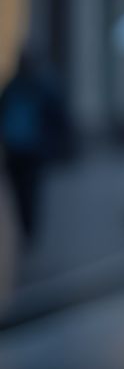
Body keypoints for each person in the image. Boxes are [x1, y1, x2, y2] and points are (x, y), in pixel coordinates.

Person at [0, 46, 75, 247]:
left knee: (27, 191)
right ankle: (28, 228)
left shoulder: (24, 87)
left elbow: (57, 118)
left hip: (28, 150)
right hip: (21, 150)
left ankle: (29, 229)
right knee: (24, 192)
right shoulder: (23, 87)